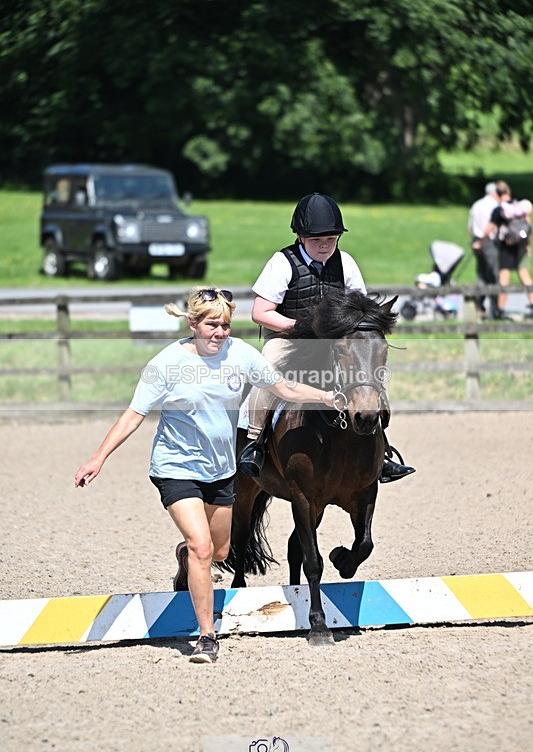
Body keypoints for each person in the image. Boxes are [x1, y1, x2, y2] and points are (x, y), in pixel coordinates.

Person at [74, 288, 336, 665]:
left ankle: (186, 558)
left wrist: (328, 397)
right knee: (202, 547)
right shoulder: (166, 365)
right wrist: (98, 458)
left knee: (219, 552)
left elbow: (285, 388)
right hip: (175, 468)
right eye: (212, 324)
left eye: (226, 325)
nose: (220, 332)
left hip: (221, 470)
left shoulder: (242, 354)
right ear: (193, 323)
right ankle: (207, 637)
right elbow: (133, 415)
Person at [238, 192, 415, 482]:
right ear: (300, 236)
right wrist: (301, 327)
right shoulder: (282, 262)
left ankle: (381, 453)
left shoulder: (345, 262)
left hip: (335, 343)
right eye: (317, 240)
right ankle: (255, 443)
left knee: (367, 377)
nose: (324, 245)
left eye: (331, 239)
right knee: (266, 374)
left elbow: (361, 308)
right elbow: (260, 312)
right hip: (288, 339)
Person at [483, 182, 533, 319]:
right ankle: (532, 302)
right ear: (509, 192)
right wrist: (527, 244)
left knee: (504, 276)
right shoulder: (519, 207)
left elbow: (490, 228)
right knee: (524, 274)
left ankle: (500, 309)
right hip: (521, 245)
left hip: (507, 246)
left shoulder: (500, 210)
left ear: (497, 194)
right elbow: (527, 226)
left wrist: (479, 241)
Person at [468, 182, 500, 319]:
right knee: (493, 275)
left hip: (476, 240)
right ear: (494, 193)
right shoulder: (494, 205)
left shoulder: (476, 204)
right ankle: (494, 310)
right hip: (488, 241)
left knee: (481, 275)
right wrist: (483, 241)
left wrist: (476, 241)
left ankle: (479, 307)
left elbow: (470, 227)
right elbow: (491, 226)